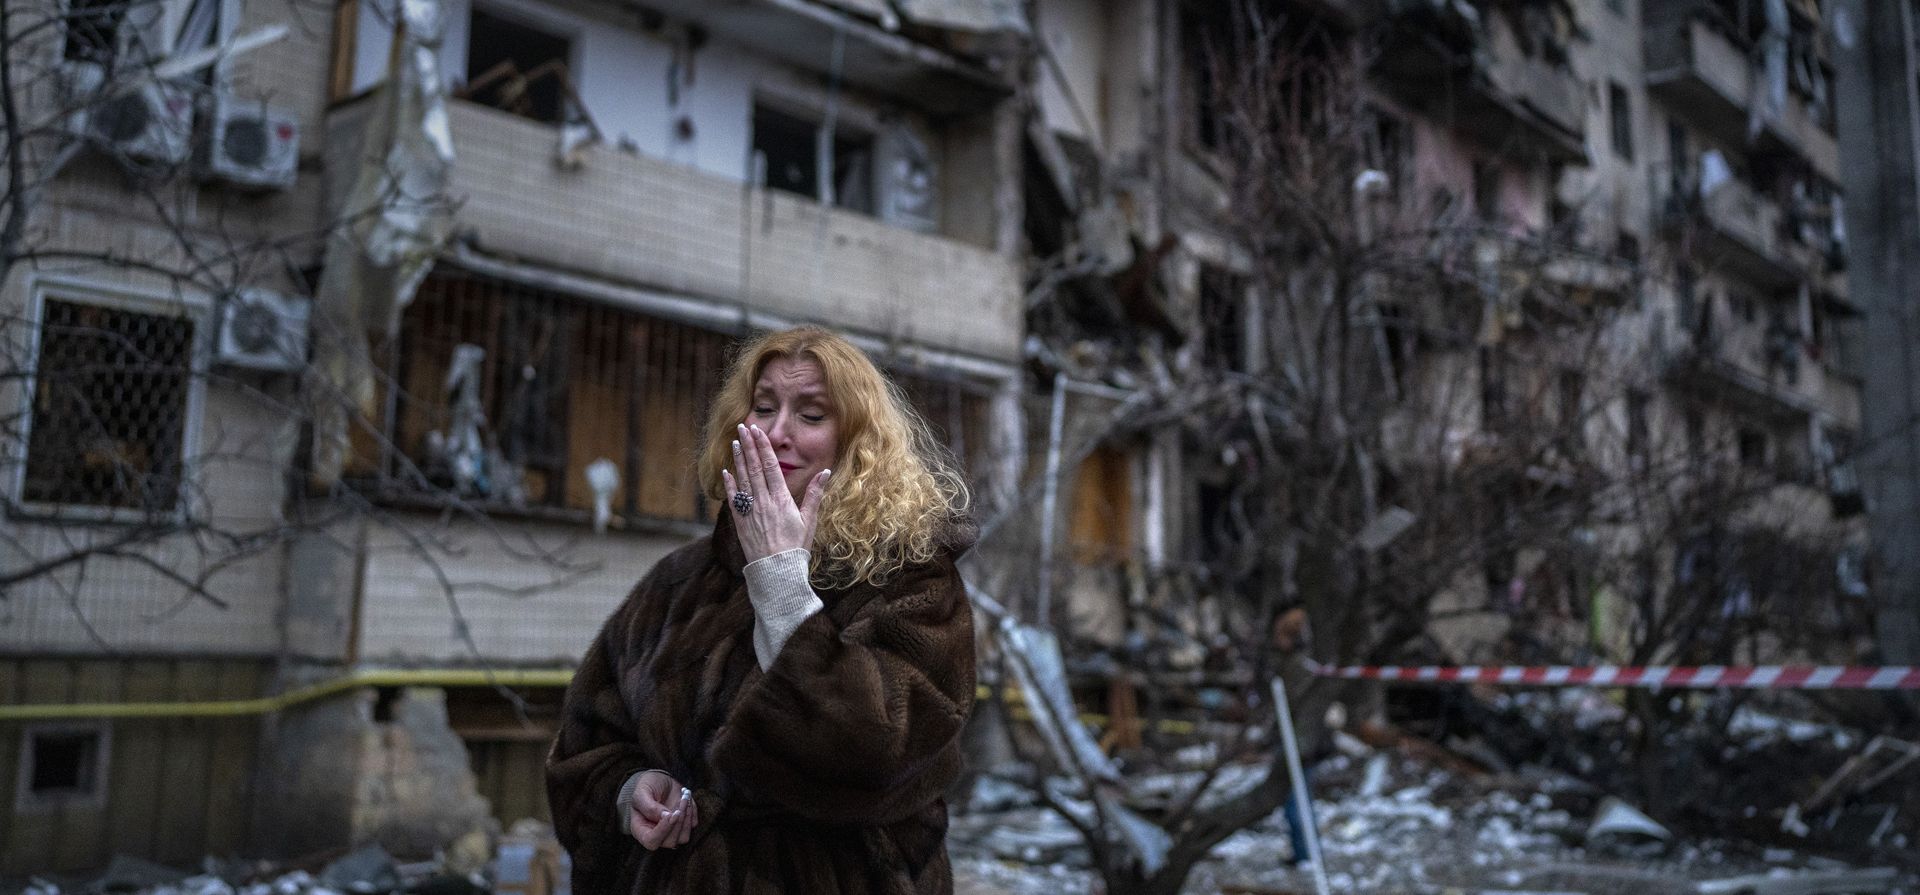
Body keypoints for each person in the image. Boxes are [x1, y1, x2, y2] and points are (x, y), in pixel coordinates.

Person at [545, 325, 977, 894]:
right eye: (765, 408)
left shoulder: (912, 580)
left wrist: (781, 586)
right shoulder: (680, 582)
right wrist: (628, 792)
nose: (777, 434)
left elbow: (881, 751)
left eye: (812, 415)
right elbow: (586, 741)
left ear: (857, 443)